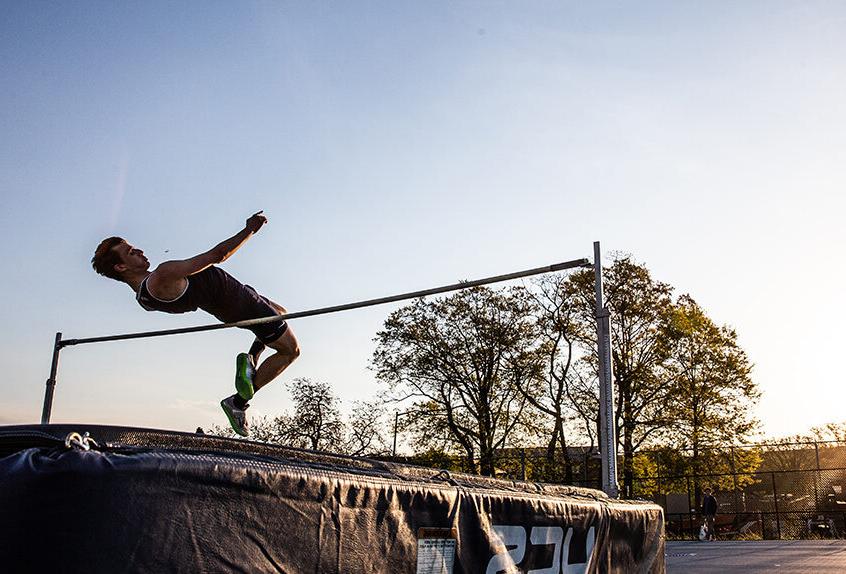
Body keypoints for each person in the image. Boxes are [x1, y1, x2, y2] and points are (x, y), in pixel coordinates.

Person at [91, 211, 299, 437]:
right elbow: (218, 255)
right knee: (290, 351)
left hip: (229, 306)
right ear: (121, 267)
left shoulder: (144, 300)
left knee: (280, 312)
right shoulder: (162, 275)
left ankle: (251, 361)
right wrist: (250, 230)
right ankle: (238, 402)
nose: (139, 250)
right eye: (131, 252)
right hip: (239, 301)